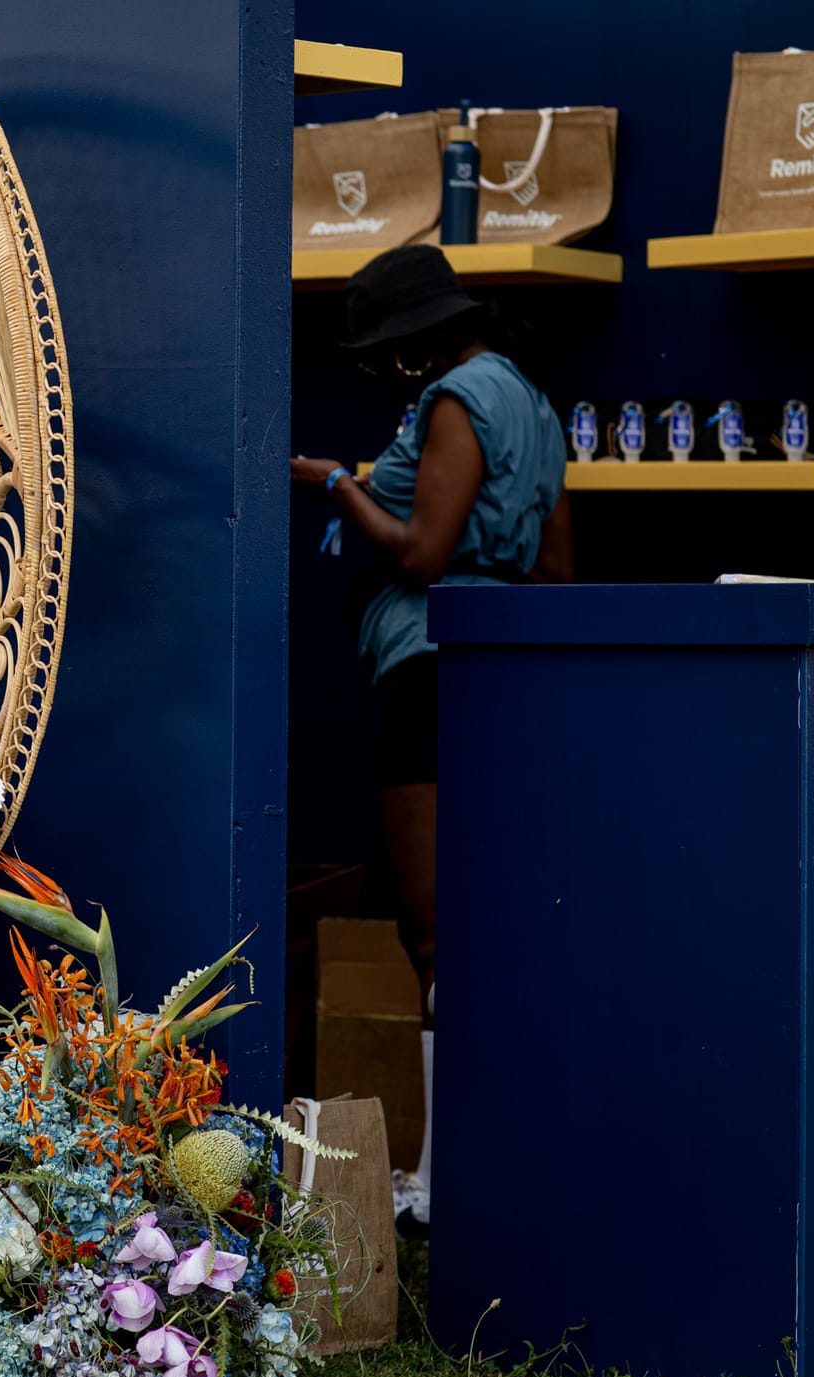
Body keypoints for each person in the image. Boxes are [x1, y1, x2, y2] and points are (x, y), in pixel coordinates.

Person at [291, 244, 572, 1015]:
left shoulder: (457, 397)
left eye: (390, 353)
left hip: (430, 667)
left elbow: (423, 555)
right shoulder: (532, 402)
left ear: (420, 334)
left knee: (430, 927)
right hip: (503, 667)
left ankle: (447, 1132)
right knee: (499, 907)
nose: (388, 370)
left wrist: (339, 485)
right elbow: (556, 568)